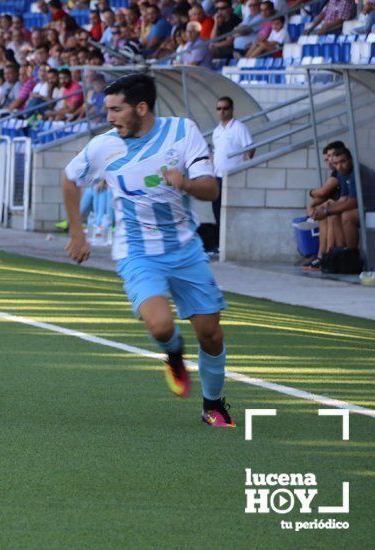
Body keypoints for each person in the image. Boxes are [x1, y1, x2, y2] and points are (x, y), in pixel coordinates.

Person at [62, 73, 235, 428]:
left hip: (186, 249)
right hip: (137, 251)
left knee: (211, 332)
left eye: (116, 109)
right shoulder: (102, 146)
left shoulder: (182, 131)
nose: (109, 117)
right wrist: (77, 233)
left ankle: (213, 405)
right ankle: (173, 354)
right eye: (106, 109)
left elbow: (211, 189)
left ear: (141, 108)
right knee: (159, 326)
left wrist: (184, 183)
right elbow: (69, 177)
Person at [211, 96, 254, 251]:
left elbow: (250, 147)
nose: (222, 111)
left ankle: (227, 243)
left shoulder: (239, 128)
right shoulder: (217, 131)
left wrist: (243, 167)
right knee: (216, 210)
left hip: (232, 177)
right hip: (217, 176)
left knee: (228, 211)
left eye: (225, 108)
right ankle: (220, 243)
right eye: (219, 108)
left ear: (231, 109)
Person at [312, 147, 360, 261]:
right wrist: (323, 208)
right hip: (360, 207)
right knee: (333, 215)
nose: (339, 166)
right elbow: (343, 199)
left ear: (351, 160)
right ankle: (337, 254)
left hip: (370, 206)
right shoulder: (341, 173)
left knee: (346, 216)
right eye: (336, 163)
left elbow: (353, 202)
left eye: (342, 162)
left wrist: (326, 210)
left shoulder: (356, 172)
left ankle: (351, 256)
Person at [303, 141, 344, 271]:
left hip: (353, 206)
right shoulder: (336, 171)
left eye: (332, 156)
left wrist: (310, 192)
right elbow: (323, 195)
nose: (330, 161)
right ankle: (321, 255)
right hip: (342, 204)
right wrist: (311, 205)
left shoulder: (341, 171)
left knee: (329, 214)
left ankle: (327, 255)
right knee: (323, 214)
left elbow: (323, 191)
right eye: (327, 159)